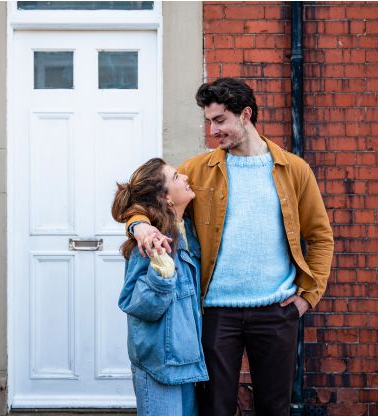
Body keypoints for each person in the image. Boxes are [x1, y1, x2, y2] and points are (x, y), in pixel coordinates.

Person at [126, 78, 334, 416]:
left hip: (276, 311)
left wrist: (308, 297)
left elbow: (321, 236)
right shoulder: (198, 170)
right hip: (216, 313)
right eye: (209, 121)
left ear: (245, 114)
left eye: (220, 120)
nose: (213, 131)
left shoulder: (294, 170)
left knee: (274, 408)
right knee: (215, 408)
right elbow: (148, 200)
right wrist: (141, 226)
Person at [112, 158, 208, 416]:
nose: (186, 178)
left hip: (187, 363)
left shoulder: (188, 230)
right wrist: (161, 276)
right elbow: (137, 304)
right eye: (177, 177)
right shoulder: (149, 243)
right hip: (160, 365)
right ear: (165, 197)